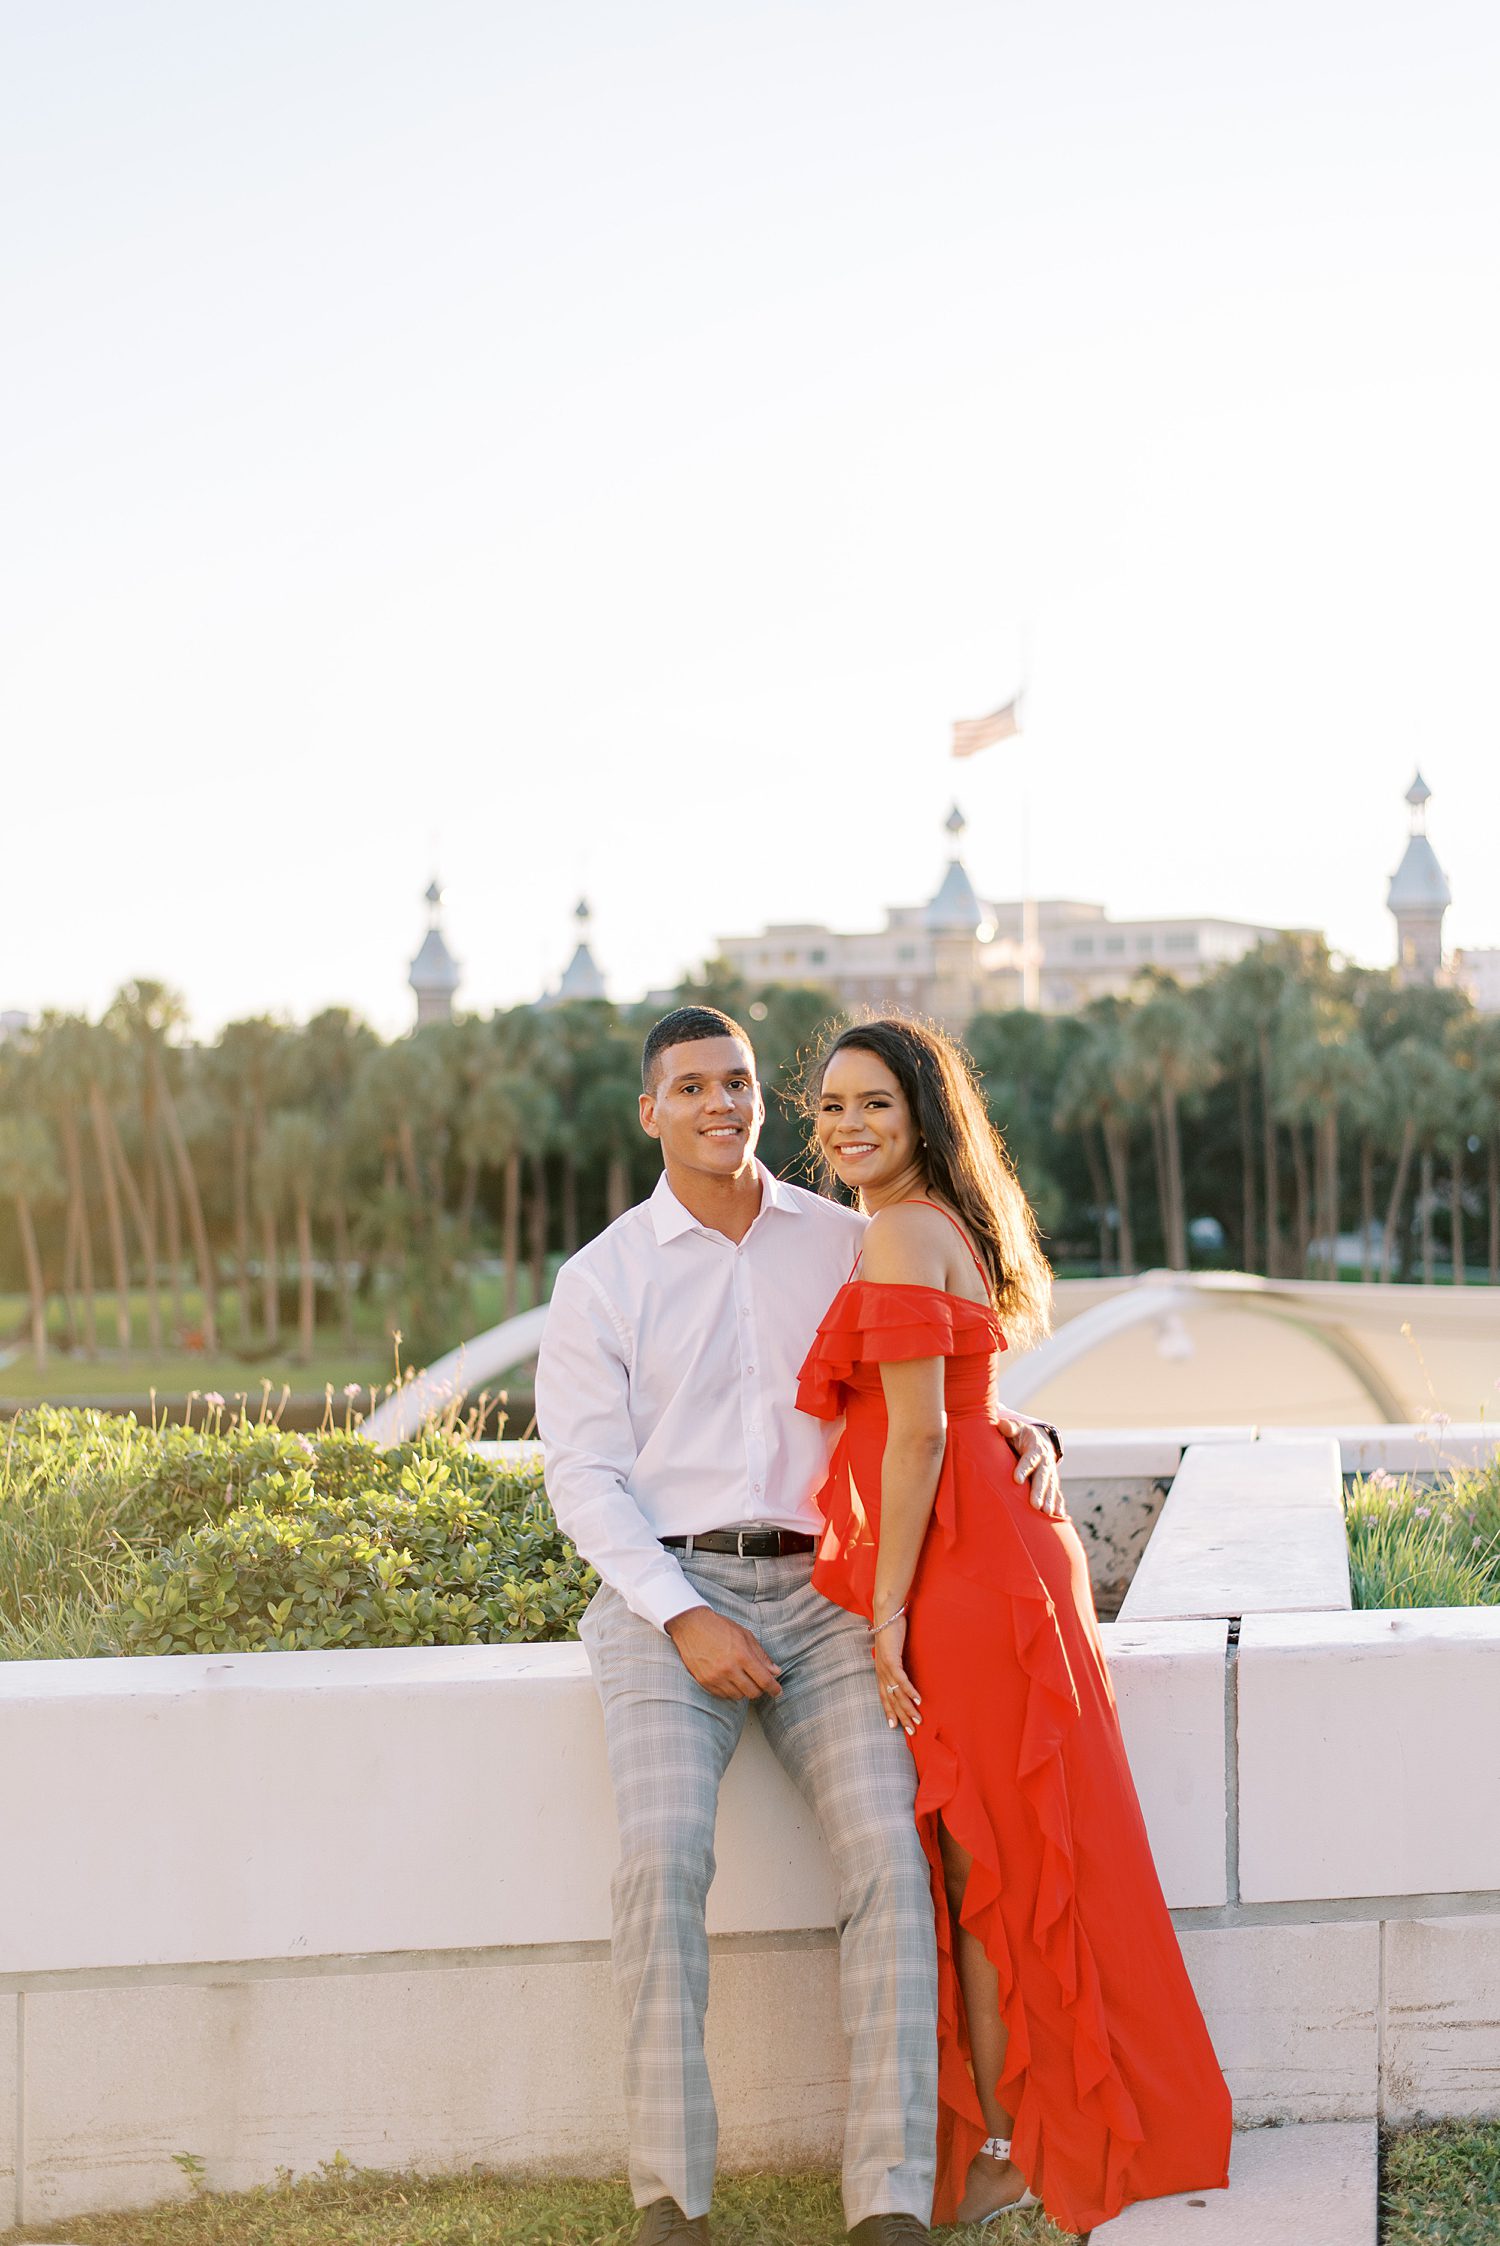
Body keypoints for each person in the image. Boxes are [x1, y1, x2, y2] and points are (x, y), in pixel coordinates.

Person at [535, 1005, 1063, 2246]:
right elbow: (583, 1477)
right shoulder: (601, 1275)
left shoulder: (845, 1236)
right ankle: (672, 2196)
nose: (722, 1103)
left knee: (893, 1853)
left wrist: (1022, 1434)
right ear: (650, 1109)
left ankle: (885, 2200)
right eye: (691, 1087)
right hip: (666, 1600)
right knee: (662, 1858)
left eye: (738, 1082)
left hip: (827, 1606)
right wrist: (677, 1616)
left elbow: (938, 1372)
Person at [796, 1016, 1233, 2236]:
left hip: (962, 1569)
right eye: (829, 1106)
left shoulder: (897, 1227)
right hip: (996, 1547)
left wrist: (883, 1614)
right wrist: (1024, 1434)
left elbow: (926, 1428)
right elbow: (967, 1399)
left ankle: (1006, 2141)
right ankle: (1026, 2122)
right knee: (1008, 1855)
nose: (846, 1126)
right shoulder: (940, 1221)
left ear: (924, 1113)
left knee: (986, 1862)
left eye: (873, 1103)